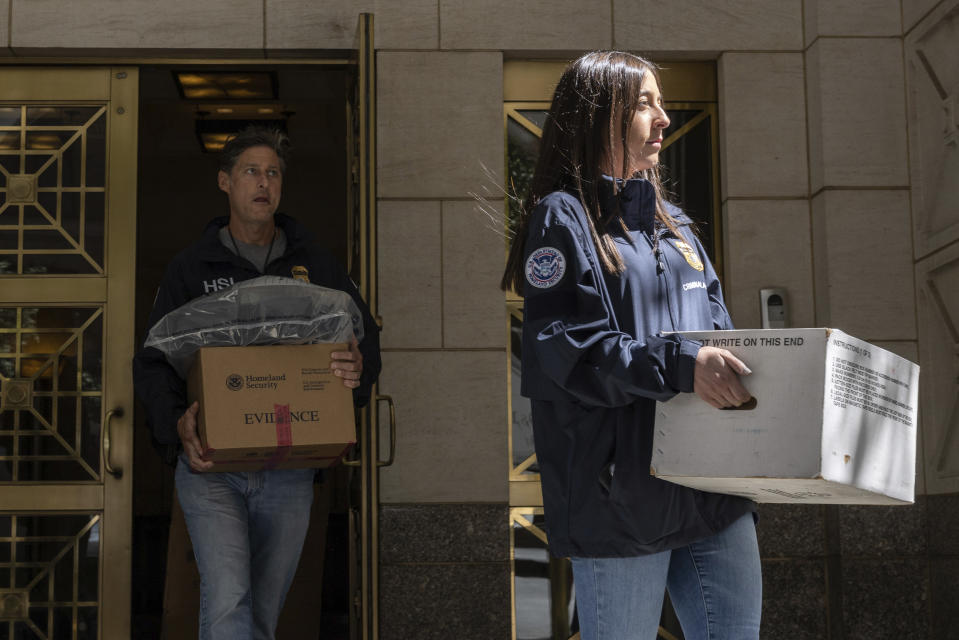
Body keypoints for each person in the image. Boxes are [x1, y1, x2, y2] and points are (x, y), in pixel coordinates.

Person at [502, 51, 761, 640]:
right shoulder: (562, 217)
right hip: (622, 498)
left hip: (712, 491)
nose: (664, 118)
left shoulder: (678, 228)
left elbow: (719, 333)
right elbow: (563, 347)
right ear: (598, 115)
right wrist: (681, 364)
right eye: (645, 104)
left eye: (662, 103)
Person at [133, 127, 381, 640]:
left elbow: (366, 345)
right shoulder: (191, 268)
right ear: (225, 182)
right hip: (211, 466)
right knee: (229, 599)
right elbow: (153, 361)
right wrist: (175, 424)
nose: (263, 183)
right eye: (251, 172)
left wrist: (355, 375)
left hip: (289, 468)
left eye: (272, 173)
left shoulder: (316, 265)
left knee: (264, 612)